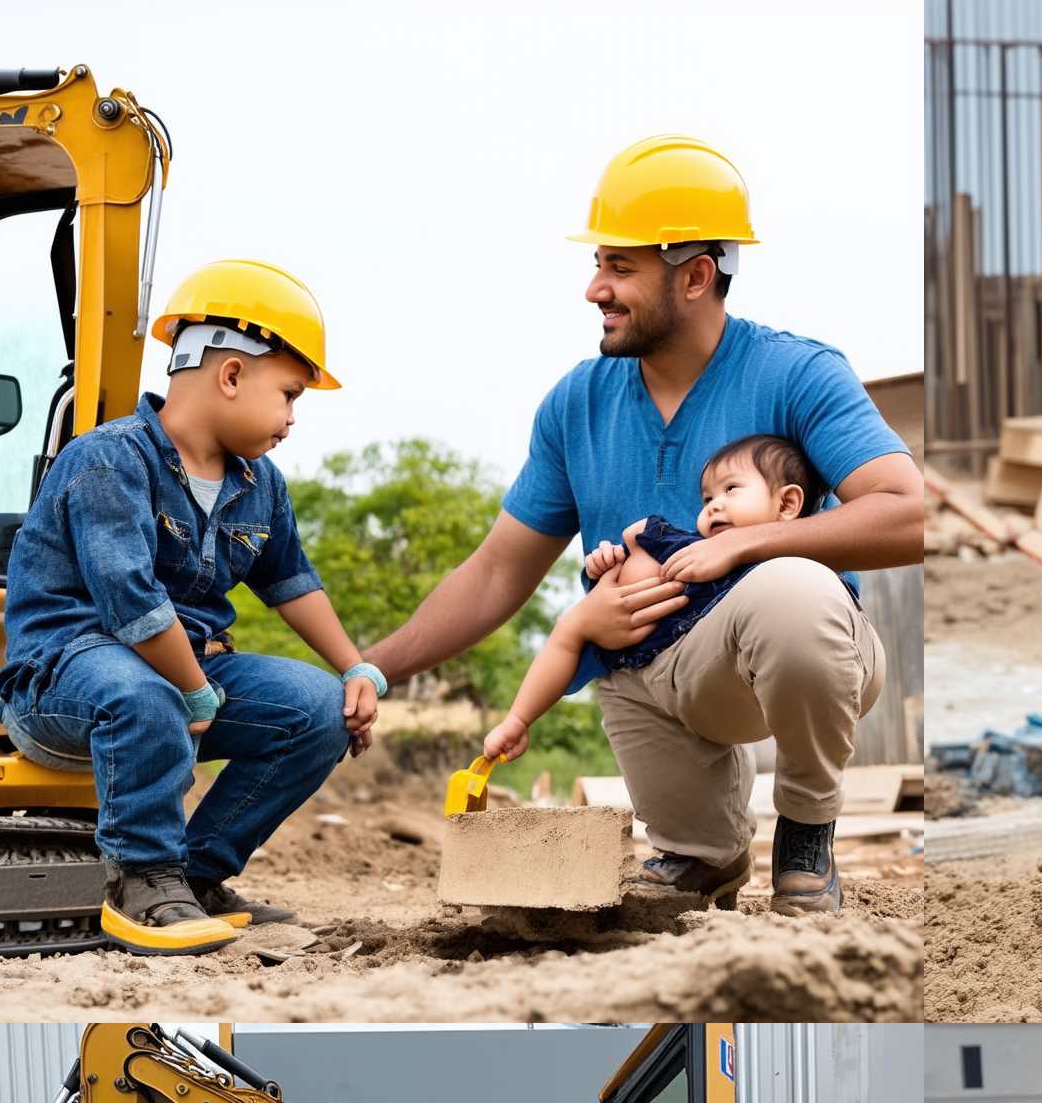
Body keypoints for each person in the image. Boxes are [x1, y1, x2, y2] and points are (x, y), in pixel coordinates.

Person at [364, 134, 926, 916]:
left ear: (696, 275)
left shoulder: (798, 374)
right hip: (658, 676)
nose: (595, 288)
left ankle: (804, 837)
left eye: (620, 267)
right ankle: (703, 855)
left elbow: (907, 513)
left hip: (801, 645)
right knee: (608, 626)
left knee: (795, 593)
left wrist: (745, 542)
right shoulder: (577, 403)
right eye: (597, 265)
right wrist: (374, 670)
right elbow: (495, 573)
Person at [0, 260, 389, 954]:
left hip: (187, 675)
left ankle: (195, 877)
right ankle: (141, 878)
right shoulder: (108, 461)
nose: (293, 420)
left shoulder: (258, 483)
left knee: (317, 710)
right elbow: (133, 605)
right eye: (290, 395)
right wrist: (194, 690)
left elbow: (291, 580)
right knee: (143, 692)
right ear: (231, 375)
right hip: (66, 679)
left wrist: (358, 670)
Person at [480, 436, 824, 805]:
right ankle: (518, 718)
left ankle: (807, 807)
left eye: (731, 489)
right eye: (707, 499)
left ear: (787, 503)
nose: (714, 505)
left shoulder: (789, 570)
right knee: (570, 638)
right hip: (638, 672)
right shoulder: (684, 545)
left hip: (730, 680)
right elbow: (635, 534)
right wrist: (609, 560)